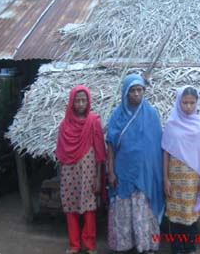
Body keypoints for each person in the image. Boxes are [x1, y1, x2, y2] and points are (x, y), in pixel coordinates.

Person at [106, 74, 164, 254]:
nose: (137, 94)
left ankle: (146, 245)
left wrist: (157, 174)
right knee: (123, 210)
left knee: (144, 210)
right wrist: (111, 172)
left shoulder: (152, 114)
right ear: (125, 92)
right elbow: (110, 146)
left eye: (140, 90)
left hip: (146, 174)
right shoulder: (117, 115)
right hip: (124, 172)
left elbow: (156, 147)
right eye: (132, 90)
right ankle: (124, 244)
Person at [162, 86, 200, 254]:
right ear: (179, 102)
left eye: (192, 103)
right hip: (175, 178)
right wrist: (165, 178)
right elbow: (166, 152)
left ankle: (190, 247)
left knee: (191, 217)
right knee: (176, 218)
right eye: (185, 103)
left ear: (197, 103)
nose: (189, 107)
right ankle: (176, 248)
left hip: (193, 180)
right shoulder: (171, 124)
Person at [55, 85, 106, 254]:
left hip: (89, 172)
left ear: (88, 101)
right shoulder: (64, 125)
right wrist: (61, 176)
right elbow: (61, 153)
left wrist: (98, 177)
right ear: (72, 102)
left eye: (84, 100)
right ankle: (74, 245)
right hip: (69, 172)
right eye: (77, 100)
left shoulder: (94, 121)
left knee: (89, 207)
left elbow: (99, 152)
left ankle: (89, 244)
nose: (81, 104)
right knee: (71, 207)